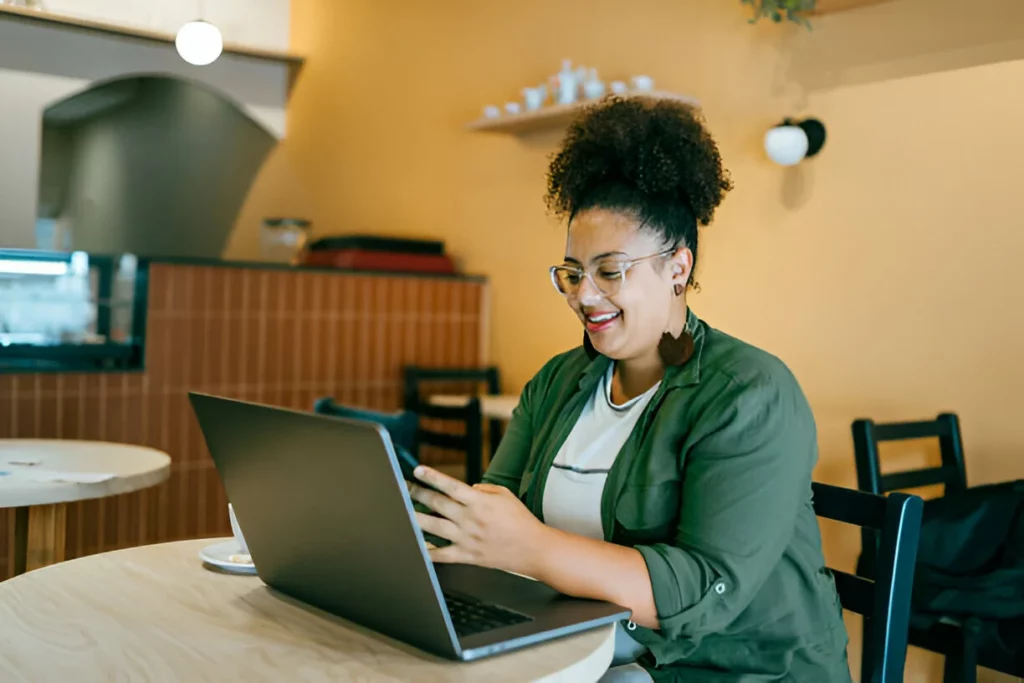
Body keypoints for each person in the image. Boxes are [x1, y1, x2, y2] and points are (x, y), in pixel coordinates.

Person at [408, 96, 852, 682]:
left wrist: (532, 548)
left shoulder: (748, 394)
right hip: (596, 647)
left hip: (730, 669)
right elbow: (495, 511)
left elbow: (700, 589)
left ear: (678, 268)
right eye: (571, 273)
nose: (584, 296)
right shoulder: (559, 383)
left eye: (610, 271)